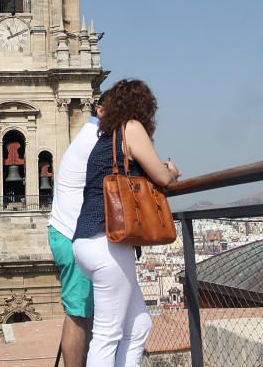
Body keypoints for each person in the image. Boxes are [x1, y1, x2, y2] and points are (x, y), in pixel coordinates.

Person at [72, 79, 180, 367]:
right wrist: (172, 171)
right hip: (108, 241)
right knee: (107, 335)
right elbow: (161, 176)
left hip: (87, 240)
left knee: (140, 325)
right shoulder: (131, 128)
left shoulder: (104, 139)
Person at [48, 95, 106, 367]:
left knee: (83, 312)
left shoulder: (88, 135)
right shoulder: (97, 139)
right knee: (79, 313)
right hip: (74, 234)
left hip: (72, 233)